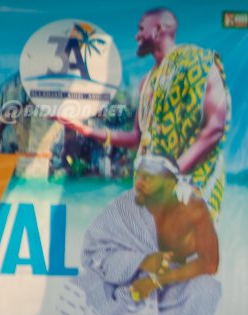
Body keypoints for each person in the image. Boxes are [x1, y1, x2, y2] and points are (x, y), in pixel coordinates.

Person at [52, 7, 230, 218]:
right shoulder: (147, 83)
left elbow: (214, 129)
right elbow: (137, 138)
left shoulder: (198, 62)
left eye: (141, 29)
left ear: (158, 30)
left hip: (191, 192)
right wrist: (84, 129)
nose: (136, 36)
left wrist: (170, 174)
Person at [78, 152, 221, 315]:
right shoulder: (123, 207)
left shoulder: (191, 210)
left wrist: (155, 281)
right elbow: (92, 253)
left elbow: (210, 263)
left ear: (169, 184)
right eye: (138, 176)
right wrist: (141, 261)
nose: (138, 183)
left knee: (207, 287)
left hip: (171, 286)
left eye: (148, 178)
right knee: (83, 285)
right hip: (126, 283)